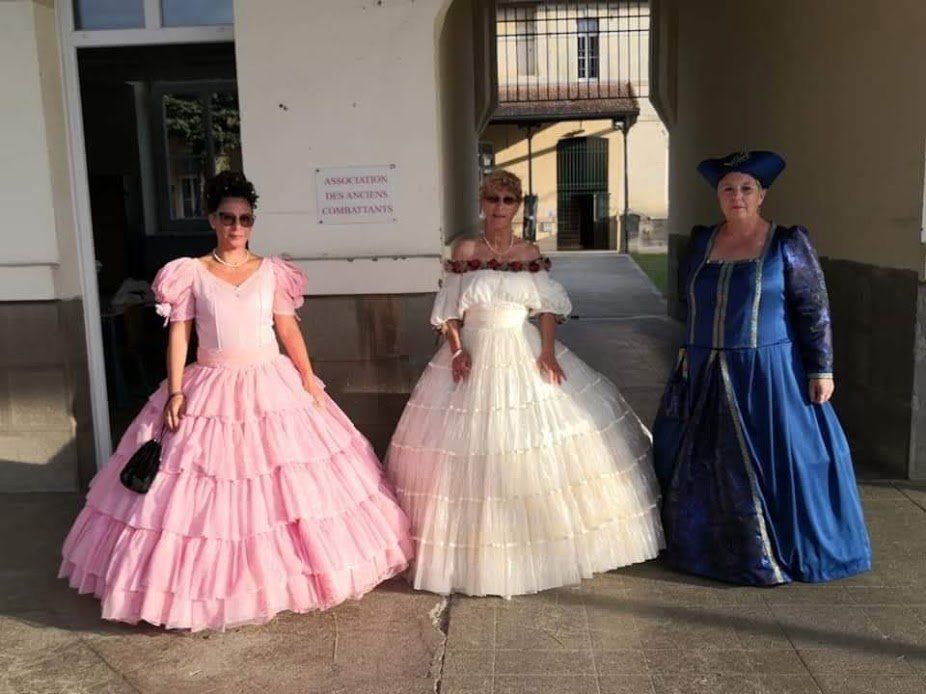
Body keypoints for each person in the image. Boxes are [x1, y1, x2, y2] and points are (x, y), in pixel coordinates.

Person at [59, 171, 413, 630]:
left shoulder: (272, 272)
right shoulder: (190, 273)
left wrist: (307, 378)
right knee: (205, 490)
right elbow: (180, 335)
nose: (237, 226)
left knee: (286, 485)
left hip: (270, 383)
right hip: (211, 384)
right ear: (212, 219)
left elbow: (287, 329)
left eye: (245, 219)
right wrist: (176, 390)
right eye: (228, 217)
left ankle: (283, 579)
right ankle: (206, 589)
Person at [386, 169, 664, 598]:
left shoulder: (529, 251)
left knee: (544, 438)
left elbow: (547, 308)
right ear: (482, 202)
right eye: (493, 199)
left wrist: (547, 351)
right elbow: (449, 310)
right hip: (474, 350)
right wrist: (457, 350)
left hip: (522, 345)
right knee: (467, 448)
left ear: (518, 206)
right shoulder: (465, 250)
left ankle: (546, 548)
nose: (500, 207)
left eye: (508, 200)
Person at [653, 150, 871, 585]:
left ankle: (776, 552)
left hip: (767, 372)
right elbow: (688, 302)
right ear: (718, 195)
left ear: (762, 195)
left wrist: (821, 369)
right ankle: (709, 552)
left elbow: (813, 308)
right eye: (728, 189)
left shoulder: (786, 243)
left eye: (746, 188)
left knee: (782, 464)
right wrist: (687, 352)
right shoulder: (701, 242)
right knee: (703, 465)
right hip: (705, 369)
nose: (737, 196)